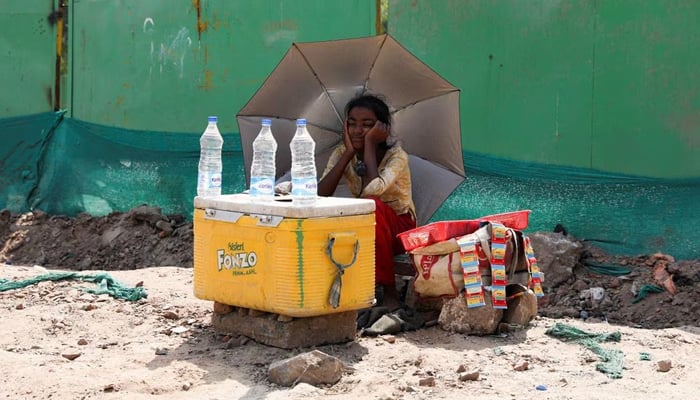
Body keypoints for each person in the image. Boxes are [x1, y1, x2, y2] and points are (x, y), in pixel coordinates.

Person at [318, 94, 416, 309]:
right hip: (367, 224)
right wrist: (348, 154)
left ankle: (389, 292)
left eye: (367, 125)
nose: (357, 130)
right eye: (352, 124)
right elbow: (320, 194)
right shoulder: (342, 153)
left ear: (382, 129)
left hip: (400, 230)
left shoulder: (397, 156)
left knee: (372, 205)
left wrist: (370, 144)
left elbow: (374, 189)